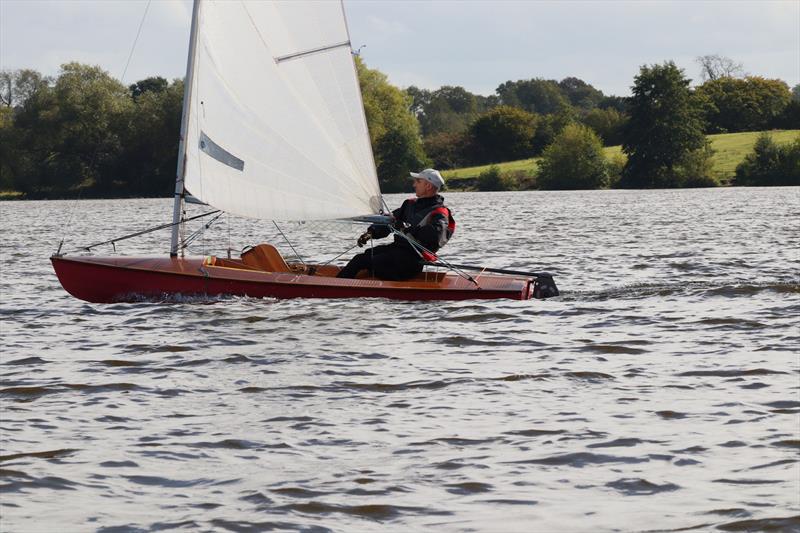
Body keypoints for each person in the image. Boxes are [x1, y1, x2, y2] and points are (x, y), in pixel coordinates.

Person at [336, 168, 455, 281]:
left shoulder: (439, 212)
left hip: (411, 260)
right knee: (363, 257)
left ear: (428, 186)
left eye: (418, 181)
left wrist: (405, 228)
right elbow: (389, 220)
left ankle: (345, 287)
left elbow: (436, 237)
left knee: (372, 261)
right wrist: (371, 232)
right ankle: (341, 283)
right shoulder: (409, 204)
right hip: (396, 251)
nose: (414, 185)